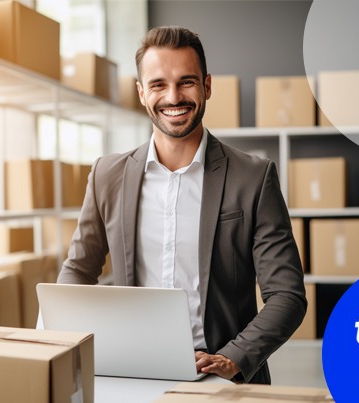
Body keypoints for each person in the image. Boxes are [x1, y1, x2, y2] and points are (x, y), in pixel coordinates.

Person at [56, 25, 306, 385]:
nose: (173, 97)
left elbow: (287, 295)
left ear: (206, 85)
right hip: (132, 373)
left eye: (186, 82)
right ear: (142, 93)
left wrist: (232, 358)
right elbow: (78, 271)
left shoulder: (254, 177)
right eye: (158, 84)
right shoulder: (106, 175)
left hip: (225, 380)